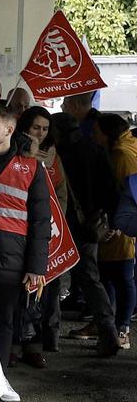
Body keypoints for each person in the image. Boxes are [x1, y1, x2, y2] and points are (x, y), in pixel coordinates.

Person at [0, 105, 50, 377]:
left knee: (5, 319)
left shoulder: (32, 167)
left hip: (13, 254)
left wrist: (37, 267)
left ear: (9, 129)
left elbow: (42, 222)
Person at [51, 112, 120, 355]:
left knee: (52, 277)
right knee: (91, 279)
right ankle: (108, 331)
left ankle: (50, 336)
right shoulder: (96, 150)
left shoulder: (59, 155)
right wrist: (110, 221)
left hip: (62, 225)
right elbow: (112, 190)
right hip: (91, 226)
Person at [17, 106, 67, 355]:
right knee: (21, 287)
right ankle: (20, 341)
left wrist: (56, 222)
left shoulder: (53, 157)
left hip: (48, 229)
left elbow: (61, 194)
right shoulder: (15, 154)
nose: (40, 132)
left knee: (50, 286)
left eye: (45, 128)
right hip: (19, 230)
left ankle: (48, 338)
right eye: (36, 127)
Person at [94, 113, 137, 351]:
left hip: (120, 227)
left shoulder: (121, 155)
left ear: (107, 134)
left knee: (122, 278)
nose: (93, 135)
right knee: (114, 277)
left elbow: (125, 192)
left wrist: (120, 225)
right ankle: (110, 325)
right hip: (118, 224)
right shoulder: (128, 146)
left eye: (97, 131)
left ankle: (121, 329)